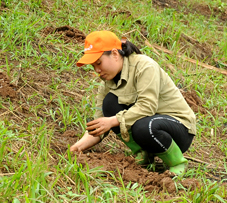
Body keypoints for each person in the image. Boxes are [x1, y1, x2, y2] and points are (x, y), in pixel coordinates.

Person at [70, 31, 196, 176]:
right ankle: (143, 154)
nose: (97, 70)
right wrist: (75, 149)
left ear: (115, 54)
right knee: (110, 103)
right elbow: (98, 126)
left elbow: (147, 106)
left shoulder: (144, 66)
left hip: (179, 129)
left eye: (99, 63)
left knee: (143, 127)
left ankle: (178, 163)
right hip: (150, 127)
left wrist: (112, 121)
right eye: (93, 66)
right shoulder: (107, 83)